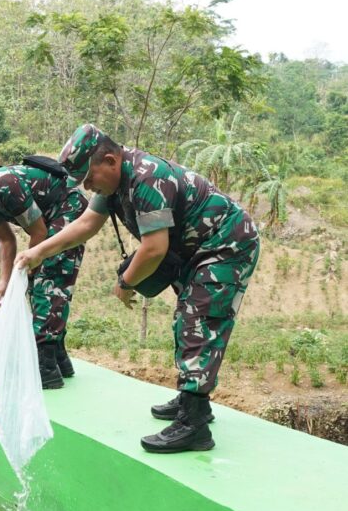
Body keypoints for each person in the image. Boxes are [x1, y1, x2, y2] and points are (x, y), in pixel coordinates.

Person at [16, 124, 261, 453]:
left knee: (199, 320)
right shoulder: (112, 186)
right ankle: (194, 403)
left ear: (110, 160)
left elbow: (154, 249)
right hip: (192, 249)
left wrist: (125, 282)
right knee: (187, 319)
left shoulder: (147, 179)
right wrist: (38, 251)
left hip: (226, 245)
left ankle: (194, 426)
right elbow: (86, 224)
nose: (88, 187)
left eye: (89, 178)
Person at [0, 162, 88, 388]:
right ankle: (58, 358)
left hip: (68, 208)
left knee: (47, 280)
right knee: (38, 281)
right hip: (50, 217)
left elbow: (38, 232)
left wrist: (30, 272)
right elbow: (7, 240)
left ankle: (46, 368)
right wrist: (5, 283)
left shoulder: (5, 186)